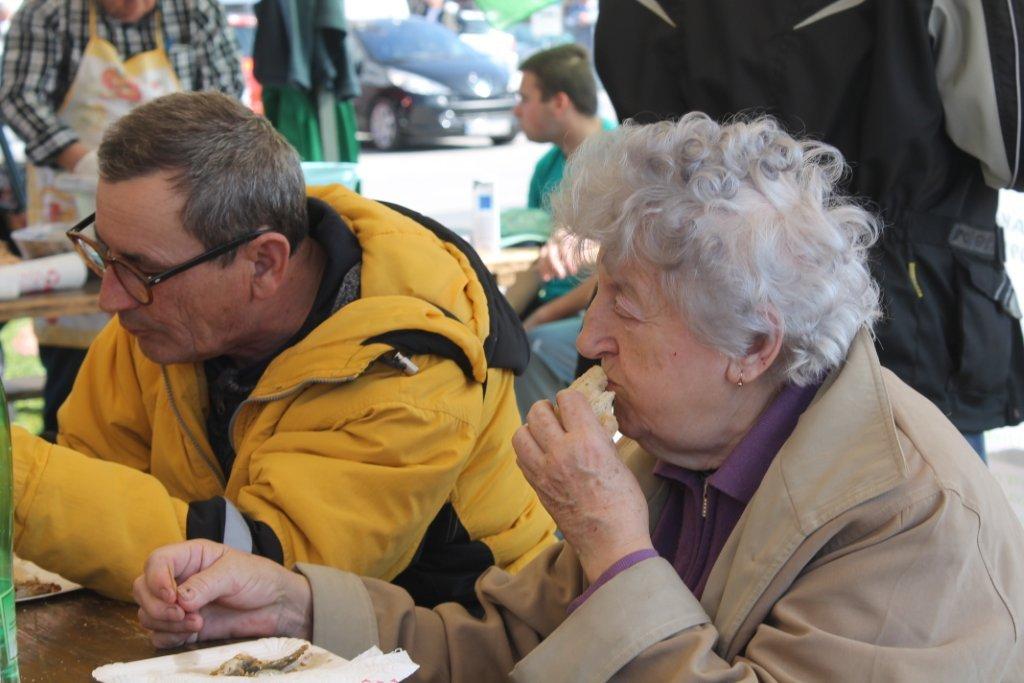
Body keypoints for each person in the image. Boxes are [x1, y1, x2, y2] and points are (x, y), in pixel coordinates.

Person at [134, 115, 1024, 680]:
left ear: (753, 346)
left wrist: (615, 548)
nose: (589, 338)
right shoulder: (685, 444)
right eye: (596, 293)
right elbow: (516, 641)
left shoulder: (906, 512)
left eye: (624, 308)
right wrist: (296, 605)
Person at [10, 91, 556, 603]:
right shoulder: (162, 318)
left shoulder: (411, 369)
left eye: (141, 269)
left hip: (464, 645)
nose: (111, 297)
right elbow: (95, 484)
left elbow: (268, 573)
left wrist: (16, 478)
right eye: (104, 254)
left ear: (265, 262)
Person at [591, 0, 1024, 461]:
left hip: (695, 332)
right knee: (925, 511)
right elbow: (1009, 150)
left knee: (706, 517)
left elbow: (641, 143)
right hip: (904, 323)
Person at [0, 0, 245, 439]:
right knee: (77, 401)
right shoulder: (47, 13)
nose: (127, 5)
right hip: (70, 212)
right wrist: (84, 163)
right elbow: (16, 96)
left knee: (180, 391)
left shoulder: (196, 12)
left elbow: (226, 104)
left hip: (172, 225)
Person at [509, 43, 609, 416]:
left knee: (532, 346)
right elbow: (540, 264)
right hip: (552, 305)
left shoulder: (621, 159)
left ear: (560, 102)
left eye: (525, 98)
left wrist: (535, 321)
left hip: (593, 309)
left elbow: (612, 277)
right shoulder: (547, 167)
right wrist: (496, 319)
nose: (517, 110)